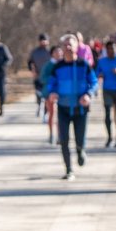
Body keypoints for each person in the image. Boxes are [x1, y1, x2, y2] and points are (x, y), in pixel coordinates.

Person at [47, 33, 98, 180]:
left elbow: (94, 82)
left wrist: (88, 94)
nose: (68, 47)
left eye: (71, 44)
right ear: (62, 48)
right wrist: (53, 93)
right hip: (63, 108)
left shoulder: (84, 65)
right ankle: (69, 170)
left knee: (80, 139)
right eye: (65, 45)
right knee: (63, 140)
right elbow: (51, 84)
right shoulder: (57, 67)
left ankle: (81, 150)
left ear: (77, 46)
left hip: (81, 109)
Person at [36, 45, 63, 144]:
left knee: (61, 115)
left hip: (62, 93)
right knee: (52, 113)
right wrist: (53, 79)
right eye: (56, 52)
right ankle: (52, 134)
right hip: (49, 93)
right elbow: (42, 78)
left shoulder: (63, 64)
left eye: (60, 52)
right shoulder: (48, 65)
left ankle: (60, 135)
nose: (59, 54)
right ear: (52, 54)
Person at [27, 33, 52, 121]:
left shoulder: (51, 52)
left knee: (46, 96)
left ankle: (46, 113)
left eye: (45, 40)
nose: (43, 42)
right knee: (39, 94)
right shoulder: (35, 52)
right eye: (42, 40)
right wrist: (33, 71)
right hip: (38, 77)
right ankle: (39, 106)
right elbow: (30, 63)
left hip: (48, 78)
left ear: (48, 41)